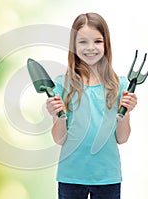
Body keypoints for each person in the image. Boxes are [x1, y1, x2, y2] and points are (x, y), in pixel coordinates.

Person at [46, 12, 137, 199]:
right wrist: (57, 115)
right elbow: (59, 139)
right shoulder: (62, 85)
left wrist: (126, 112)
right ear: (73, 46)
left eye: (97, 41)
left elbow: (122, 138)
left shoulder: (120, 86)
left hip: (107, 177)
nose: (90, 48)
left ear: (106, 44)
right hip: (71, 176)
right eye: (82, 42)